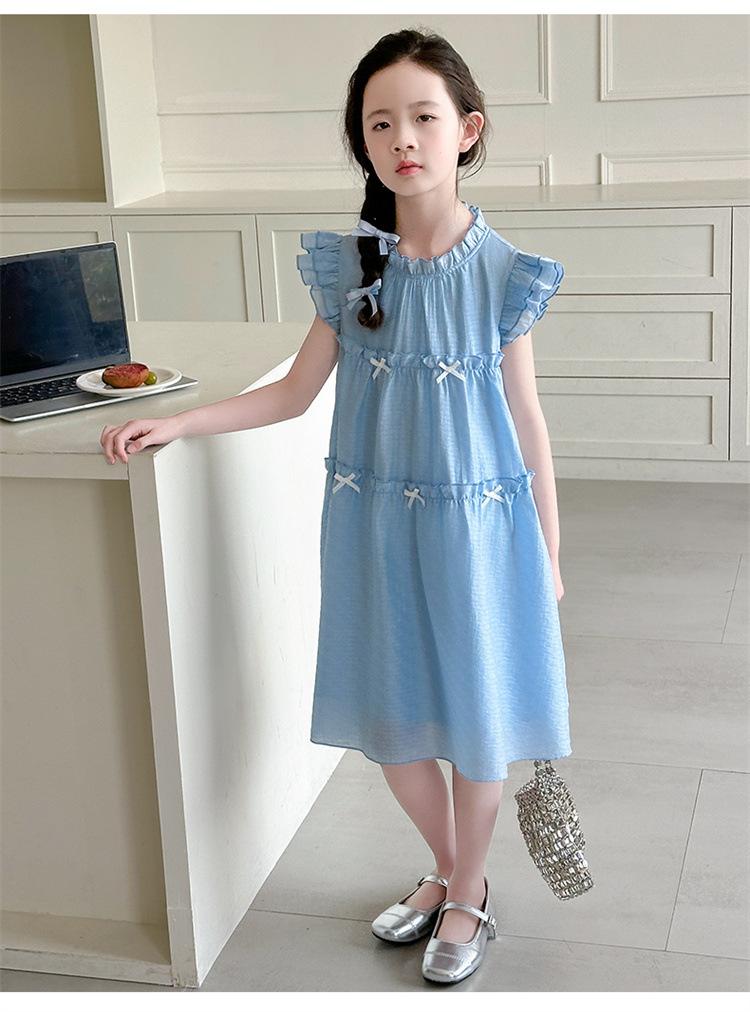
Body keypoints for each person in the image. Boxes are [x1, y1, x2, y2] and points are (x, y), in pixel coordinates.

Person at [100, 27, 571, 987]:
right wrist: (179, 422)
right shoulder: (353, 267)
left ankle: (466, 893)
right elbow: (291, 394)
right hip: (373, 525)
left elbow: (529, 421)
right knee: (392, 722)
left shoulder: (502, 271)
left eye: (424, 118)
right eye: (380, 123)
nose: (403, 139)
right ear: (363, 140)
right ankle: (453, 872)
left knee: (477, 718)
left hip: (481, 529)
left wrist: (550, 554)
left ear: (467, 130)